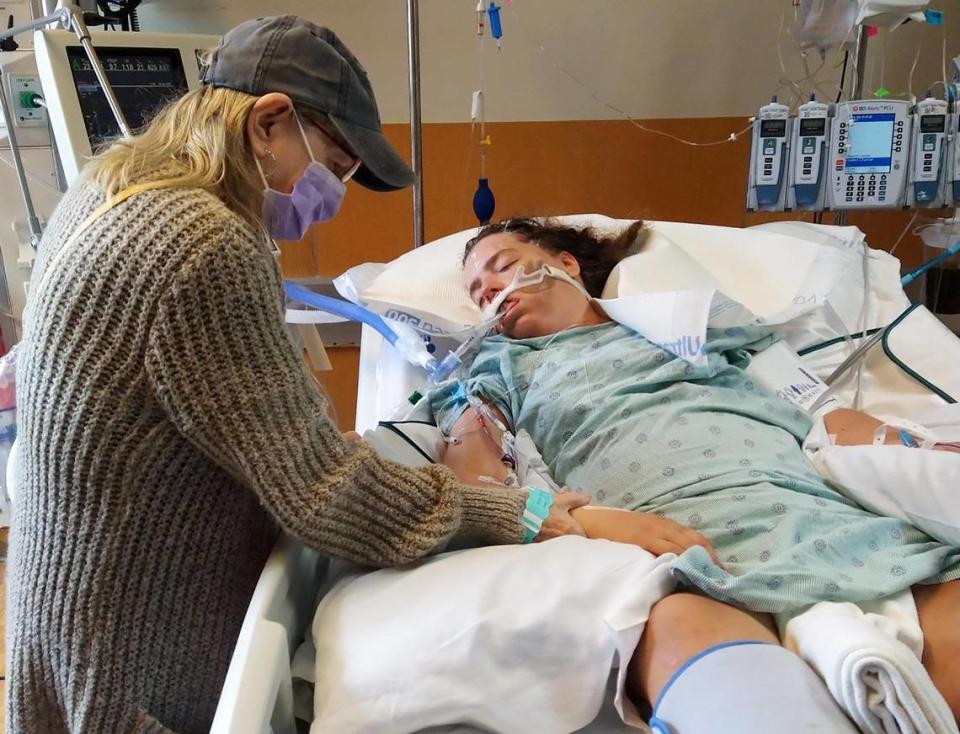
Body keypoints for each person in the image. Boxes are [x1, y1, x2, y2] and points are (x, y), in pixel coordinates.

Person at [7, 19, 589, 733]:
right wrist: (512, 512)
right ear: (270, 122)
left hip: (65, 612)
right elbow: (323, 495)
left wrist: (304, 446)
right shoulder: (203, 243)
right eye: (337, 167)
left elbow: (193, 423)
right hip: (128, 655)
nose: (332, 193)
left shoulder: (111, 188)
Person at [430, 216, 960, 724]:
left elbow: (825, 412)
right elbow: (478, 489)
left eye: (501, 265)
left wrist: (917, 447)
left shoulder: (696, 327)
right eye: (477, 292)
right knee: (725, 676)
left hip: (825, 520)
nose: (489, 292)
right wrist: (587, 523)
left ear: (565, 264)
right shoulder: (493, 372)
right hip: (682, 553)